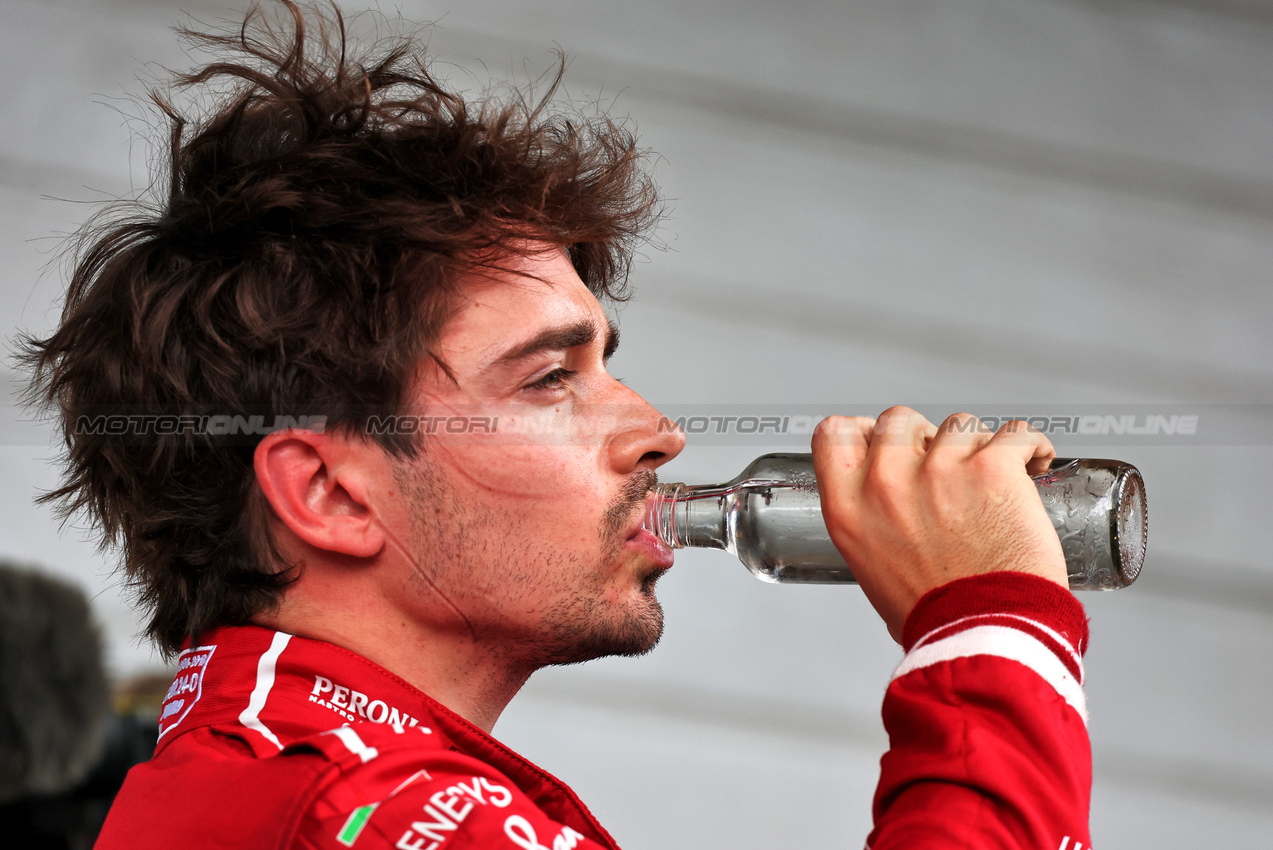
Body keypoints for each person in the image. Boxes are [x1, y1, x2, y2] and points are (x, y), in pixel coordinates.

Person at [21, 2, 1092, 847]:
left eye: (605, 365)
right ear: (333, 492)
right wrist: (994, 631)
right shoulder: (361, 813)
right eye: (547, 379)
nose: (658, 432)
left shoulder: (300, 775)